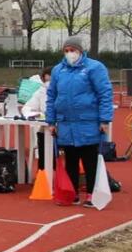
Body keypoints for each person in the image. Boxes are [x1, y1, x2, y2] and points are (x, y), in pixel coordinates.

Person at [46, 37, 113, 206]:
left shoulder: (94, 68)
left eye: (72, 50)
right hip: (66, 122)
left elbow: (105, 93)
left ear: (80, 51)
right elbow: (52, 96)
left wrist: (105, 119)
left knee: (90, 160)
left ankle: (92, 194)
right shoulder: (58, 70)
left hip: (88, 122)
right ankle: (72, 193)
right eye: (66, 50)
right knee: (71, 161)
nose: (70, 53)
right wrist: (51, 121)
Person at [22, 67, 53, 169]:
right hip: (45, 128)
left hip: (63, 129)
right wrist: (33, 114)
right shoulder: (41, 91)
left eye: (51, 81)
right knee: (42, 135)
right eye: (46, 81)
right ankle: (43, 172)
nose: (48, 84)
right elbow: (27, 107)